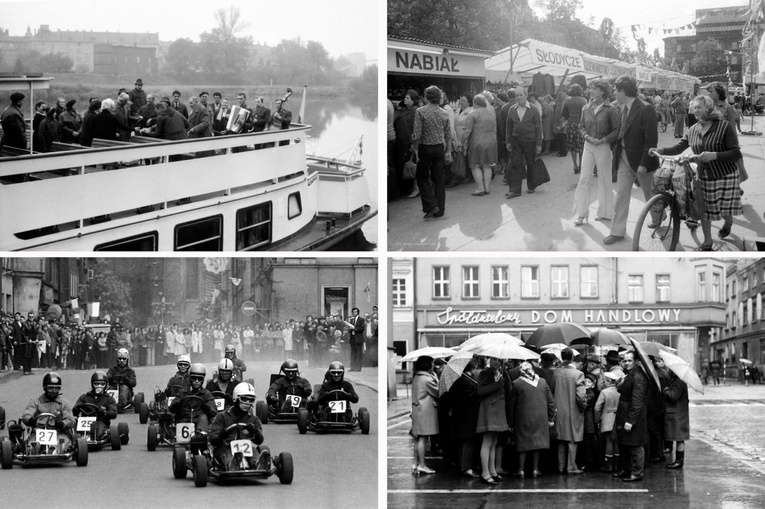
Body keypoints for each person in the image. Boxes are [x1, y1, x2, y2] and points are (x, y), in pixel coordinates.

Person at [648, 95, 742, 250]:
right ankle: (707, 242)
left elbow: (736, 153)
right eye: (693, 108)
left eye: (698, 107)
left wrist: (714, 155)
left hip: (725, 175)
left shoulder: (724, 127)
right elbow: (679, 147)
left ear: (708, 108)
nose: (695, 111)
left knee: (724, 209)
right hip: (704, 176)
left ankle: (728, 223)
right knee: (705, 209)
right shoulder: (693, 129)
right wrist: (662, 150)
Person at [603, 76, 660, 246]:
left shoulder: (646, 109)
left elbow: (651, 141)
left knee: (649, 195)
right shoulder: (622, 108)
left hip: (641, 161)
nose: (613, 93)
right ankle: (617, 231)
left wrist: (643, 164)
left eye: (615, 90)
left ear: (623, 91)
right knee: (621, 195)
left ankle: (658, 217)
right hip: (623, 159)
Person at [572, 80, 620, 225]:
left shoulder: (611, 109)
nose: (591, 91)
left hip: (603, 146)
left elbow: (617, 130)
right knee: (584, 178)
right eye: (591, 88)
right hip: (589, 145)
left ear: (603, 92)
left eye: (595, 88)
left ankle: (606, 212)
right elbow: (581, 126)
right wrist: (587, 137)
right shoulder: (585, 108)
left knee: (604, 178)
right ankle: (582, 214)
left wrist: (604, 140)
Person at [507, 361, 556, 478]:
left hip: (523, 418)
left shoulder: (516, 383)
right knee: (537, 444)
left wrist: (510, 423)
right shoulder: (543, 382)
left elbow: (511, 405)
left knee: (523, 444)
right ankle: (535, 469)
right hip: (540, 417)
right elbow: (551, 402)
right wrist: (550, 418)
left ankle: (521, 470)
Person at [209, 382, 271, 470]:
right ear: (236, 398)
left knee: (253, 451)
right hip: (225, 447)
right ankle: (232, 464)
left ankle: (257, 464)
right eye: (244, 399)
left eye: (251, 400)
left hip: (246, 448)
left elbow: (259, 441)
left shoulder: (253, 419)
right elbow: (212, 439)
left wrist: (255, 431)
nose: (247, 403)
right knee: (226, 453)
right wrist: (221, 435)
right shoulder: (222, 416)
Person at [413, 85, 451, 220]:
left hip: (425, 148)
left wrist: (415, 149)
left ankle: (431, 204)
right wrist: (448, 151)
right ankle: (440, 210)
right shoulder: (444, 113)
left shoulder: (420, 111)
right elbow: (448, 135)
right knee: (439, 180)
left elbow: (417, 134)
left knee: (422, 177)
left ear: (426, 96)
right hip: (439, 148)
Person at [15, 372, 76, 452]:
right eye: (50, 388)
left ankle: (53, 450)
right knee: (31, 447)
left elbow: (70, 420)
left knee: (61, 444)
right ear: (45, 388)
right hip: (38, 432)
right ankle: (36, 449)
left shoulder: (64, 404)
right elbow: (26, 414)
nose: (54, 391)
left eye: (57, 388)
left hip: (58, 432)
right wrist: (30, 420)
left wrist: (62, 424)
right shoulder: (35, 402)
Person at [614, 350, 649, 482]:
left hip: (633, 417)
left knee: (635, 446)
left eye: (629, 360)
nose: (626, 363)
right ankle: (627, 469)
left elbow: (637, 402)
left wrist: (630, 421)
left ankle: (637, 473)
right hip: (625, 415)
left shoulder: (638, 377)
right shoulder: (630, 375)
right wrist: (620, 385)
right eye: (625, 360)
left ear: (636, 362)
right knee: (625, 445)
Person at [505, 86, 542, 199]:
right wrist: (508, 141)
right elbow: (508, 127)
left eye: (521, 95)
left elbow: (539, 128)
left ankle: (531, 186)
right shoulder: (512, 109)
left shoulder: (534, 109)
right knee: (515, 164)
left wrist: (539, 144)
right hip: (516, 141)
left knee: (531, 163)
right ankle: (515, 190)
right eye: (517, 95)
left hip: (530, 141)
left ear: (526, 95)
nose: (519, 97)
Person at [553, 348, 586, 475]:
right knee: (573, 439)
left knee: (561, 438)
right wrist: (583, 407)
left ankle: (561, 466)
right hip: (573, 410)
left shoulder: (555, 373)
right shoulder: (578, 374)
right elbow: (581, 396)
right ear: (572, 358)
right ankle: (571, 466)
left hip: (558, 410)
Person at [476, 357, 508, 485]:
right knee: (487, 441)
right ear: (490, 360)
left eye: (499, 360)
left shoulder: (500, 373)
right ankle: (485, 473)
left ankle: (492, 471)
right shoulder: (485, 373)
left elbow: (507, 390)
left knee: (494, 442)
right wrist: (497, 385)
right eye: (495, 359)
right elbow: (480, 391)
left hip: (498, 409)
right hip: (488, 409)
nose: (497, 362)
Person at [461, 94, 498, 197]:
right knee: (487, 165)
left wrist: (461, 142)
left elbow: (466, 132)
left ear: (474, 103)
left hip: (477, 143)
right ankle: (487, 188)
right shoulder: (491, 114)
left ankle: (480, 188)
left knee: (475, 165)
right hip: (491, 142)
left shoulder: (472, 115)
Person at [168, 363, 217, 433]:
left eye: (199, 379)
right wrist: (176, 405)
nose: (196, 381)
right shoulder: (182, 392)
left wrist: (207, 408)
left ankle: (200, 436)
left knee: (203, 417)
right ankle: (178, 436)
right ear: (190, 378)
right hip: (183, 419)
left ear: (203, 379)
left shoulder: (207, 394)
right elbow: (171, 408)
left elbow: (213, 411)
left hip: (199, 420)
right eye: (194, 378)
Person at [410, 356, 438, 475]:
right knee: (423, 438)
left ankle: (416, 463)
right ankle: (422, 465)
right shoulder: (427, 379)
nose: (433, 366)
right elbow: (438, 392)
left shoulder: (417, 377)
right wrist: (436, 379)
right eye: (432, 363)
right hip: (425, 412)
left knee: (418, 439)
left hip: (418, 410)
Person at [72, 371, 118, 440]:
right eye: (96, 384)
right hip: (84, 420)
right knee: (72, 425)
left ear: (105, 385)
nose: (99, 386)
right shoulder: (85, 397)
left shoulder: (109, 398)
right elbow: (74, 411)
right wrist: (77, 408)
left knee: (96, 429)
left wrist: (104, 413)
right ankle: (78, 438)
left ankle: (95, 436)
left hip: (100, 421)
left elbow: (114, 413)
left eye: (102, 384)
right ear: (92, 384)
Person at [662, 368, 689, 469]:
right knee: (679, 438)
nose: (670, 371)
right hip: (679, 413)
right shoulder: (677, 380)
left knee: (680, 438)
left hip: (679, 415)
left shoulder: (679, 382)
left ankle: (679, 461)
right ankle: (678, 460)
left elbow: (673, 396)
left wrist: (665, 389)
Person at [594, 371, 621, 472]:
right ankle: (617, 465)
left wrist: (597, 420)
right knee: (617, 442)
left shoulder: (604, 392)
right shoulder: (620, 390)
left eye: (605, 381)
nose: (603, 383)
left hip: (607, 420)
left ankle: (608, 465)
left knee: (609, 441)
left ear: (609, 381)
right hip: (618, 420)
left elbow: (597, 408)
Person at [561, 84, 588, 174]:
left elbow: (563, 112)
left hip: (571, 125)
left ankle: (575, 165)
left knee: (572, 147)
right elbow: (586, 113)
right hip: (581, 125)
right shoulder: (583, 100)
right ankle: (581, 165)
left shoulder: (567, 100)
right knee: (581, 146)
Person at [106, 347, 136, 411]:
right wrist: (110, 378)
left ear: (127, 359)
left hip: (126, 390)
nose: (122, 361)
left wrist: (128, 380)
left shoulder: (130, 371)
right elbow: (107, 376)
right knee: (110, 388)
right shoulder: (112, 369)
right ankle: (109, 403)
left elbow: (134, 383)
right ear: (117, 359)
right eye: (120, 359)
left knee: (124, 387)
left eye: (124, 359)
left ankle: (121, 404)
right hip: (114, 387)